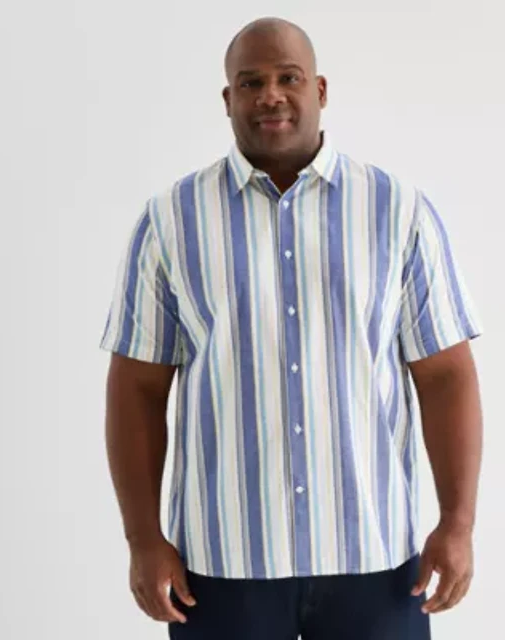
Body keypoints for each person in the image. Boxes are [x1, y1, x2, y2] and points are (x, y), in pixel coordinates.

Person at [99, 16, 484, 640]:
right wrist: (143, 539)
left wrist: (458, 524)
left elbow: (445, 376)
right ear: (228, 99)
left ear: (321, 90)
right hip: (222, 565)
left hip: (376, 559)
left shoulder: (397, 212)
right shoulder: (171, 222)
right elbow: (137, 388)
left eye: (289, 78)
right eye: (251, 83)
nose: (270, 95)